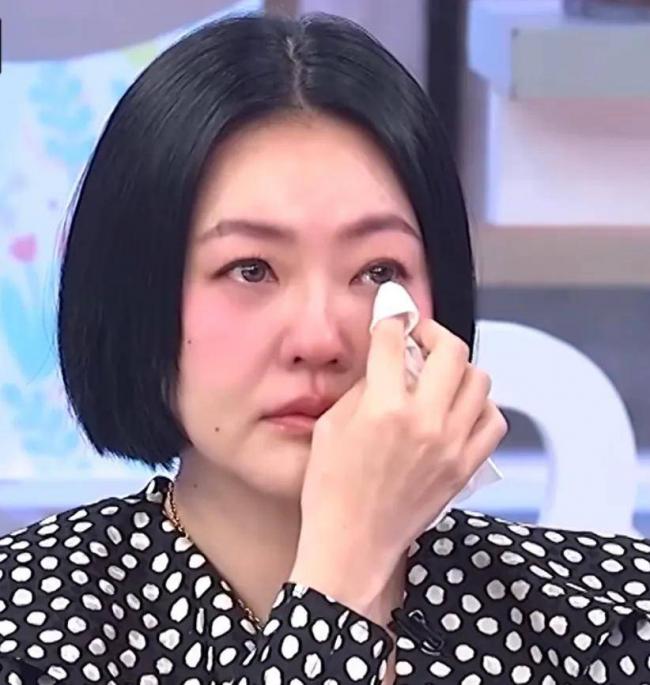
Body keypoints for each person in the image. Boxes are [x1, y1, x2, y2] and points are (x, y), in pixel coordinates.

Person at [0, 10, 648, 685]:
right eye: (251, 269)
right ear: (138, 295)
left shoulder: (613, 618)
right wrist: (345, 572)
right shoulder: (27, 623)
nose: (318, 339)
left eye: (378, 271)